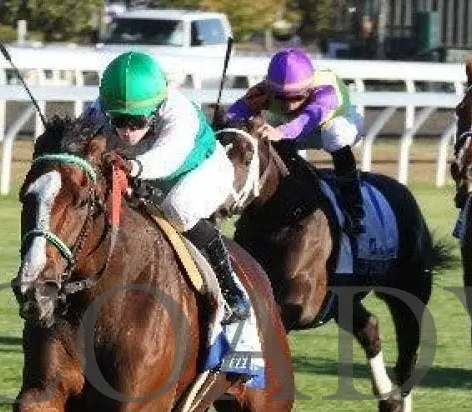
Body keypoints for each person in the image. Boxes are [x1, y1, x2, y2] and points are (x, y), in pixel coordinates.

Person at [87, 51, 247, 321]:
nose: (126, 131)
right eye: (119, 120)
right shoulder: (99, 109)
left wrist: (134, 168)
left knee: (178, 208)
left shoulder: (178, 111)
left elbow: (168, 155)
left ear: (156, 109)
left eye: (136, 120)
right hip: (146, 175)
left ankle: (232, 291)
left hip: (202, 171)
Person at [225, 48, 367, 237]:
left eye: (297, 97)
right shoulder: (263, 90)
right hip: (294, 129)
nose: (288, 105)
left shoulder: (326, 91)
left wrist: (282, 132)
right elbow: (234, 114)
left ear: (309, 88)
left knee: (334, 134)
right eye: (281, 97)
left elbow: (308, 118)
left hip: (337, 123)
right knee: (262, 134)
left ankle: (354, 209)